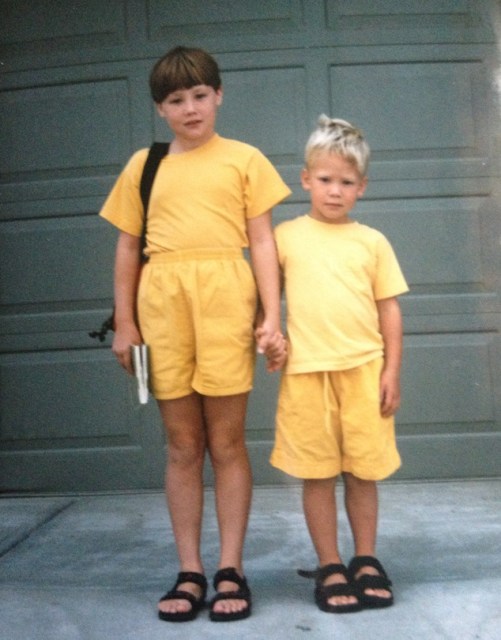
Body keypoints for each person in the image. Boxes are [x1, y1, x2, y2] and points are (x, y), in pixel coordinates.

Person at [99, 46, 291, 623]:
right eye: (176, 100)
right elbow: (128, 246)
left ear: (219, 96)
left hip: (226, 304)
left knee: (227, 443)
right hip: (162, 311)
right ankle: (190, 569)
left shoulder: (245, 159)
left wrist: (272, 315)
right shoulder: (144, 165)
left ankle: (230, 566)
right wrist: (126, 322)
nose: (190, 108)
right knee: (183, 446)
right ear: (160, 109)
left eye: (200, 95)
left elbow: (262, 242)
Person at [267, 115, 408, 613]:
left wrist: (391, 370)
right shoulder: (284, 237)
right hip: (306, 374)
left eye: (346, 182)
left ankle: (365, 559)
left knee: (363, 473)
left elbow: (389, 307)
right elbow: (264, 301)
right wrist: (271, 337)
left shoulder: (371, 242)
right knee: (318, 473)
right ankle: (330, 563)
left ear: (362, 188)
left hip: (364, 371)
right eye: (325, 180)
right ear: (306, 179)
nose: (334, 191)